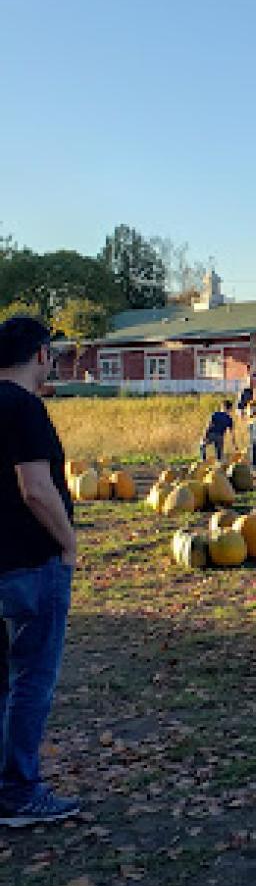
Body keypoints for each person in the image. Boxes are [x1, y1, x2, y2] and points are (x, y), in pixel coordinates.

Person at [0, 315, 81, 827]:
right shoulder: (24, 408)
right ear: (41, 355)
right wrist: (68, 545)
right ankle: (18, 791)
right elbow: (35, 487)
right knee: (32, 678)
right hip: (29, 562)